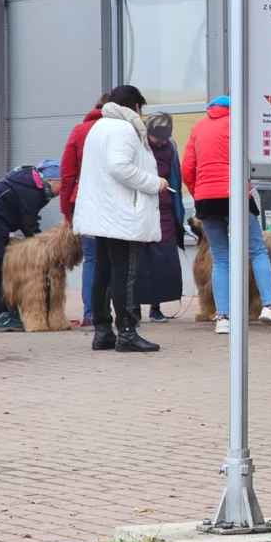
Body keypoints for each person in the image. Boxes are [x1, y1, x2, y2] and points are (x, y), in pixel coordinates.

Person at [182, 93, 271, 334]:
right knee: (257, 251)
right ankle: (270, 306)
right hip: (234, 194)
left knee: (221, 259)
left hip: (206, 199)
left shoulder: (198, 127)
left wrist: (198, 192)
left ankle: (223, 317)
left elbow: (187, 168)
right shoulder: (238, 123)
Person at [73, 85, 167, 353]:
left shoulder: (99, 127)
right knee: (124, 273)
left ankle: (103, 331)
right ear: (136, 107)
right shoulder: (124, 128)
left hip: (102, 212)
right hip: (122, 214)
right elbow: (119, 166)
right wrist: (154, 183)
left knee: (103, 271)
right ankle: (126, 332)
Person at [0, 160, 64, 331]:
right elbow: (29, 223)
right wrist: (42, 247)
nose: (62, 191)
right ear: (52, 180)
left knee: (0, 266)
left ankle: (7, 314)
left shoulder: (32, 185)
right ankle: (2, 317)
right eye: (62, 184)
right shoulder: (32, 190)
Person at [60, 94, 107, 326]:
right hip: (110, 203)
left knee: (92, 259)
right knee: (117, 259)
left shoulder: (80, 131)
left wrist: (67, 211)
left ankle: (91, 314)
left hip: (84, 202)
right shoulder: (122, 130)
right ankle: (120, 313)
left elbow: (67, 174)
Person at [132, 113, 185, 322]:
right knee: (139, 260)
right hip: (142, 209)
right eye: (157, 138)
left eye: (164, 138)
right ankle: (134, 307)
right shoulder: (138, 145)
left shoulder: (170, 147)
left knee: (163, 260)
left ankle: (156, 307)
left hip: (165, 209)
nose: (161, 142)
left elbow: (176, 178)